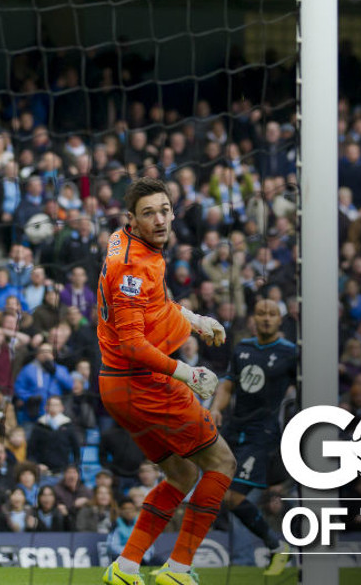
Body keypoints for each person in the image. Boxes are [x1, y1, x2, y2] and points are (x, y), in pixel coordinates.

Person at [96, 177, 236, 585]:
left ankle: (125, 567)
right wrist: (188, 374)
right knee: (221, 464)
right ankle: (177, 570)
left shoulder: (124, 243)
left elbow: (155, 305)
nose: (158, 220)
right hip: (142, 382)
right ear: (132, 220)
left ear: (174, 212)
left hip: (118, 387)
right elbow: (135, 344)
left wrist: (192, 321)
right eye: (148, 213)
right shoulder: (133, 268)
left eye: (163, 210)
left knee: (181, 475)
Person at [212, 298, 295, 573]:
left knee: (232, 496)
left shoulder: (290, 353)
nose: (267, 318)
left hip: (264, 433)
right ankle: (180, 563)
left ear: (280, 319)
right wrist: (215, 409)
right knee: (214, 492)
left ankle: (277, 546)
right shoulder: (242, 348)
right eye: (262, 314)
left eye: (272, 314)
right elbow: (227, 385)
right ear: (254, 319)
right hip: (234, 429)